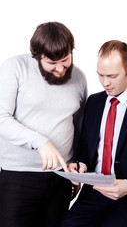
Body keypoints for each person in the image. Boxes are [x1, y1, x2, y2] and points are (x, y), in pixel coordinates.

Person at [60, 40, 127, 227]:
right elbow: (86, 147)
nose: (105, 83)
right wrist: (80, 165)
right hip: (93, 194)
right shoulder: (94, 102)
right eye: (100, 75)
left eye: (112, 76)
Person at [0, 21, 87, 227]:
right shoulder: (15, 68)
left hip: (60, 179)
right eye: (51, 63)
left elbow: (80, 126)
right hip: (18, 177)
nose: (60, 69)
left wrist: (77, 164)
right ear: (36, 55)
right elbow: (1, 118)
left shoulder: (80, 78)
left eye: (65, 60)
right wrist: (41, 142)